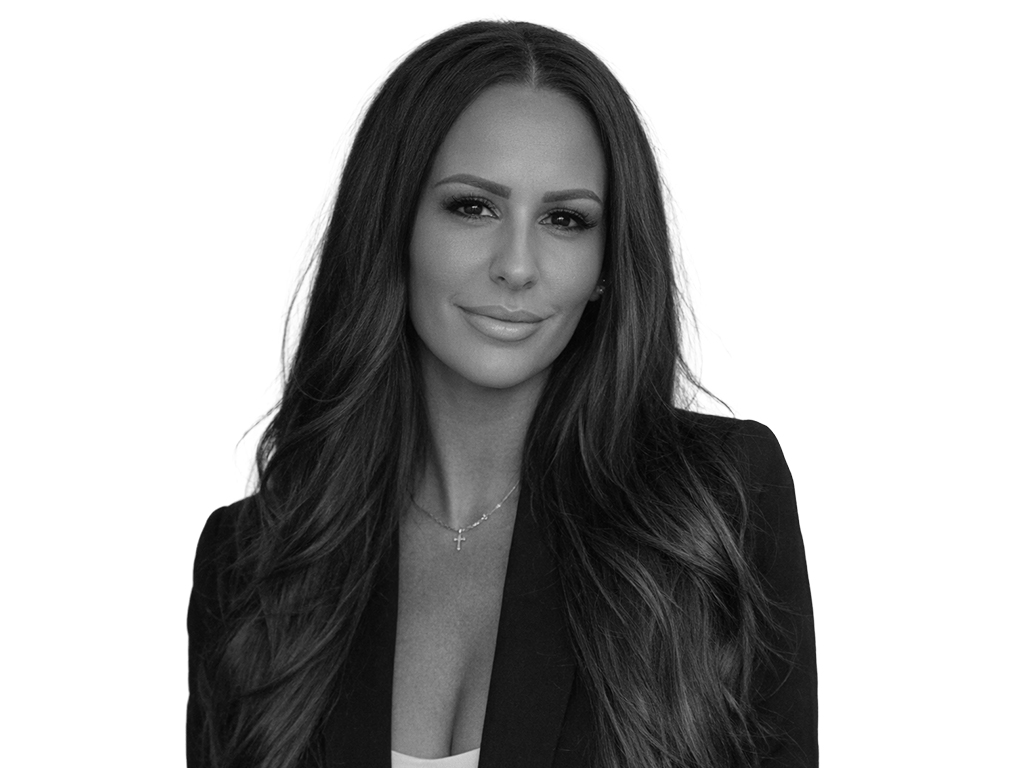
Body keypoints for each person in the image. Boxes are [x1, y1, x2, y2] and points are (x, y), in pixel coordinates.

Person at [187, 20, 817, 768]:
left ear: (606, 264)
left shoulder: (710, 506)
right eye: (473, 206)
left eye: (565, 219)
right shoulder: (256, 562)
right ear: (392, 225)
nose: (517, 265)